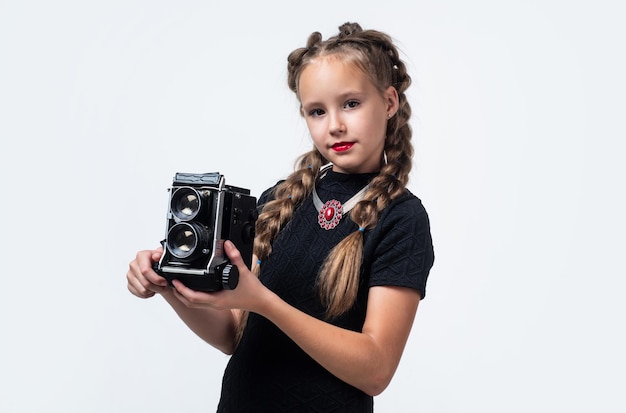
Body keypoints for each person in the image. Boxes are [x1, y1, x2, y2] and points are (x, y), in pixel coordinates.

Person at [127, 22, 434, 412]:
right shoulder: (281, 200)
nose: (335, 124)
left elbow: (376, 369)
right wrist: (171, 286)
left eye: (351, 104)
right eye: (317, 111)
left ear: (389, 102)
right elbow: (233, 335)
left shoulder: (401, 219)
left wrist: (266, 303)